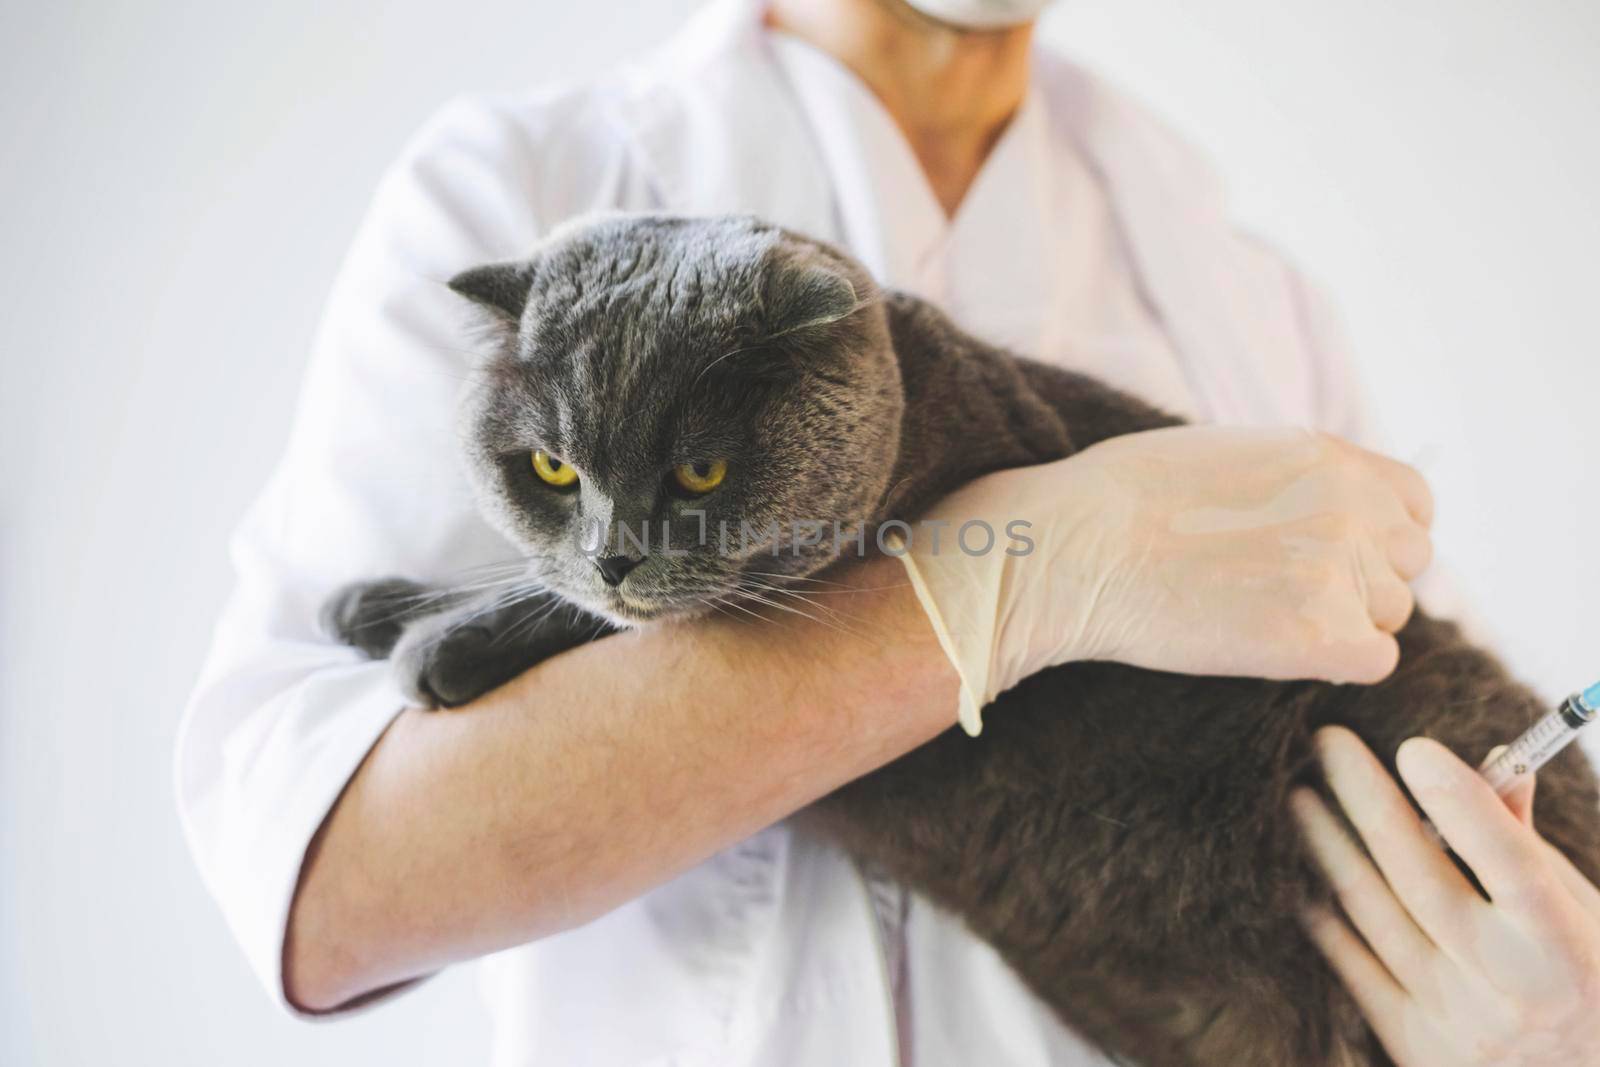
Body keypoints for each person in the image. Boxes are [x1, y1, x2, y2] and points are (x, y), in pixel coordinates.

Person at [174, 0, 1600, 1063]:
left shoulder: (1240, 288)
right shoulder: (529, 192)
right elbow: (328, 889)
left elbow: (1460, 807)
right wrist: (1011, 582)